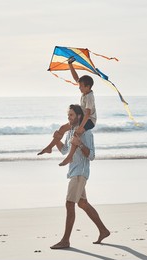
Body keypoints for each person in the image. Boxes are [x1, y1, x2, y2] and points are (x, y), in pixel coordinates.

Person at [50, 104, 110, 249]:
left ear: (79, 116)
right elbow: (64, 151)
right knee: (82, 203)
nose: (68, 118)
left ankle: (65, 240)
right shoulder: (70, 132)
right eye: (68, 115)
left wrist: (81, 144)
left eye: (71, 115)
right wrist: (57, 139)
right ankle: (103, 230)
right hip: (73, 172)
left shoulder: (87, 133)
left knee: (69, 204)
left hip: (80, 173)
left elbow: (92, 156)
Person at [37, 57, 97, 166]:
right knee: (62, 128)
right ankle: (50, 147)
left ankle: (69, 157)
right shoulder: (84, 93)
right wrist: (70, 64)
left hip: (89, 121)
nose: (79, 88)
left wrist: (80, 127)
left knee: (76, 134)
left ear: (88, 87)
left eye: (81, 86)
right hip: (82, 118)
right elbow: (76, 79)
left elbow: (88, 114)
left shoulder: (89, 97)